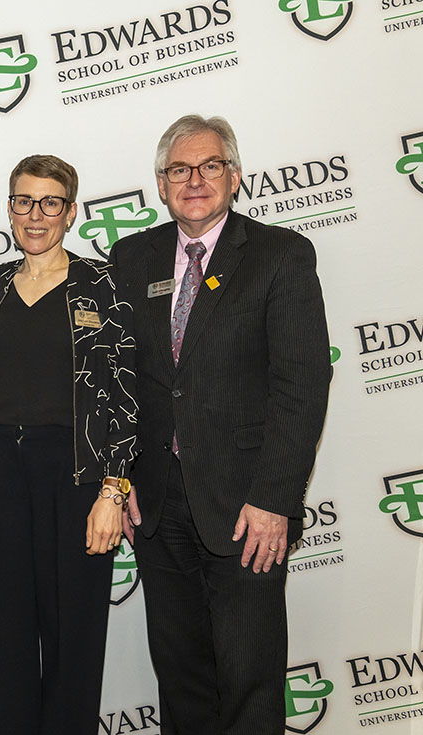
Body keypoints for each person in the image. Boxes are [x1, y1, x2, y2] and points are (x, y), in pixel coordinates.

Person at [109, 115, 330, 734]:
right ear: (160, 184)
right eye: (180, 169)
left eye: (209, 167)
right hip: (156, 509)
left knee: (248, 680)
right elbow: (118, 384)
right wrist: (121, 482)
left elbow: (302, 384)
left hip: (246, 507)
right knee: (181, 683)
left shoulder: (279, 256)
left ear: (234, 176)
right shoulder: (131, 257)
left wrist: (274, 499)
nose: (195, 180)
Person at [0, 154, 139, 735]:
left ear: (71, 211)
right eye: (23, 201)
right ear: (9, 208)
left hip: (78, 477)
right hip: (1, 478)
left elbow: (126, 393)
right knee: (9, 629)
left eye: (49, 203)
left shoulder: (102, 283)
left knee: (76, 630)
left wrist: (115, 487)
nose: (35, 215)